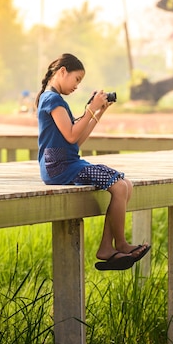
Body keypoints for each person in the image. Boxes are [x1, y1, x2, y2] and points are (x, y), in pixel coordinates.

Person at [35, 53, 150, 271]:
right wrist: (89, 110)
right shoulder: (52, 100)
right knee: (118, 186)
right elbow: (70, 135)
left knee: (125, 185)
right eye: (77, 79)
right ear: (62, 72)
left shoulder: (55, 100)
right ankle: (120, 244)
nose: (77, 86)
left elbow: (76, 140)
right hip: (60, 167)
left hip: (69, 163)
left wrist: (98, 111)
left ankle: (107, 247)